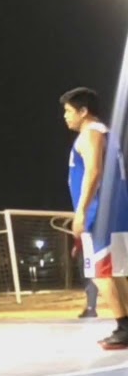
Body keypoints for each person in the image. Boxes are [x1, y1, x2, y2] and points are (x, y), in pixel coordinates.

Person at [61, 87, 128, 348]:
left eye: (68, 111)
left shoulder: (90, 134)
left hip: (100, 214)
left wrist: (81, 211)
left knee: (102, 273)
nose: (65, 117)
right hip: (116, 213)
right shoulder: (104, 133)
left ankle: (123, 328)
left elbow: (94, 172)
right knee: (118, 271)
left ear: (83, 111)